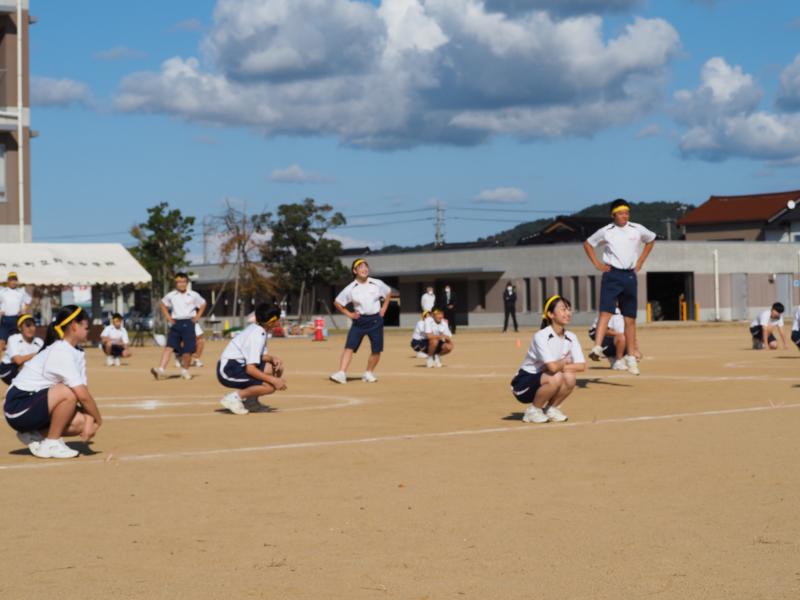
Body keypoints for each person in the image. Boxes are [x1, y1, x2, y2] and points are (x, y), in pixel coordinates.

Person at [3, 305, 102, 459]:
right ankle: (52, 443)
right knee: (68, 392)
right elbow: (82, 395)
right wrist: (98, 420)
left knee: (81, 422)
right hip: (17, 406)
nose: (88, 330)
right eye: (86, 326)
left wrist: (90, 420)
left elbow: (84, 391)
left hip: (34, 403)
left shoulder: (78, 352)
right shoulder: (60, 350)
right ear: (74, 326)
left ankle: (34, 433)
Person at [583, 199, 656, 376]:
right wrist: (597, 264)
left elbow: (651, 240)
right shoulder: (606, 231)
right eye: (621, 213)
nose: (625, 216)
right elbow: (588, 244)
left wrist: (640, 261)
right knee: (605, 312)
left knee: (629, 318)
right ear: (613, 215)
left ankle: (630, 357)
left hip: (629, 275)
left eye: (627, 213)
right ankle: (597, 347)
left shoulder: (637, 229)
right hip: (612, 274)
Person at [510, 295, 586, 424]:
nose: (568, 313)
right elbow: (552, 368)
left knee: (570, 377)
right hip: (523, 385)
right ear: (550, 314)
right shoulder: (541, 336)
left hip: (545, 378)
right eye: (563, 309)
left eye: (569, 309)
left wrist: (559, 366)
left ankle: (551, 409)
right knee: (556, 376)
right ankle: (533, 411)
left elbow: (581, 366)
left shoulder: (571, 337)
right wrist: (565, 361)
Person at [217, 304, 287, 415]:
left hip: (237, 365)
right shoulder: (256, 334)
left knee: (273, 367)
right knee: (270, 387)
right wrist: (274, 380)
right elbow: (250, 369)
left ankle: (251, 402)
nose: (280, 321)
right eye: (278, 318)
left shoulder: (259, 329)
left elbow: (257, 356)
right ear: (271, 321)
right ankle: (233, 398)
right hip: (228, 370)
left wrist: (272, 358)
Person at [330, 258, 391, 384]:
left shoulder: (377, 283)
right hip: (359, 321)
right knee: (349, 347)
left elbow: (388, 292)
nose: (364, 269)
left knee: (376, 350)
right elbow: (337, 303)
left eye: (365, 266)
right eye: (360, 267)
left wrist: (384, 308)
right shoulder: (351, 288)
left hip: (376, 320)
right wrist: (350, 314)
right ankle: (341, 373)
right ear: (355, 271)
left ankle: (368, 373)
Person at [151, 273, 206, 381]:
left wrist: (197, 317)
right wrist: (168, 317)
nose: (181, 284)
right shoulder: (171, 295)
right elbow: (162, 304)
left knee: (187, 350)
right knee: (169, 347)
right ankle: (161, 370)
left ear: (187, 283)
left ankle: (185, 371)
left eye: (183, 282)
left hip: (189, 322)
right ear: (175, 283)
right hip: (176, 323)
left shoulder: (193, 295)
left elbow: (203, 304)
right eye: (178, 282)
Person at [0, 314, 43, 385]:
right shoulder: (13, 339)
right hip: (8, 370)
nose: (31, 329)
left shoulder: (39, 341)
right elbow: (18, 361)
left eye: (33, 325)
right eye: (28, 325)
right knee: (26, 367)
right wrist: (36, 354)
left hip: (25, 368)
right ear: (20, 328)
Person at [0, 272, 32, 357]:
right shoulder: (2, 291)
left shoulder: (21, 292)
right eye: (11, 280)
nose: (13, 282)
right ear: (8, 281)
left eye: (15, 280)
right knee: (1, 343)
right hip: (5, 319)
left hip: (17, 319)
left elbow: (28, 301)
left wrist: (24, 309)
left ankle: (14, 361)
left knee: (15, 343)